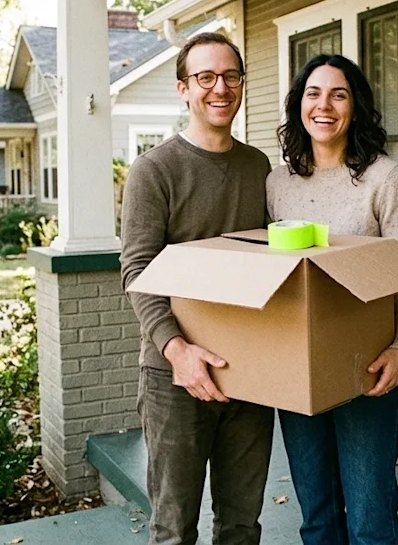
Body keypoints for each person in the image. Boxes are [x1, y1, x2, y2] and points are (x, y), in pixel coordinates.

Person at [120, 31, 274, 545]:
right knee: (173, 527)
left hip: (249, 372)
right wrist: (176, 349)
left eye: (230, 76)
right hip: (175, 378)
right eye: (205, 77)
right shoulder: (153, 170)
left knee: (240, 525)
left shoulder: (258, 167)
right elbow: (137, 268)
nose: (219, 88)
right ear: (183, 89)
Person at [266, 54, 398, 545]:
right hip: (299, 373)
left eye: (339, 94)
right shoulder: (277, 183)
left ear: (355, 107)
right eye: (313, 93)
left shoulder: (384, 178)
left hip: (367, 369)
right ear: (299, 105)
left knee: (370, 520)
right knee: (318, 516)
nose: (324, 105)